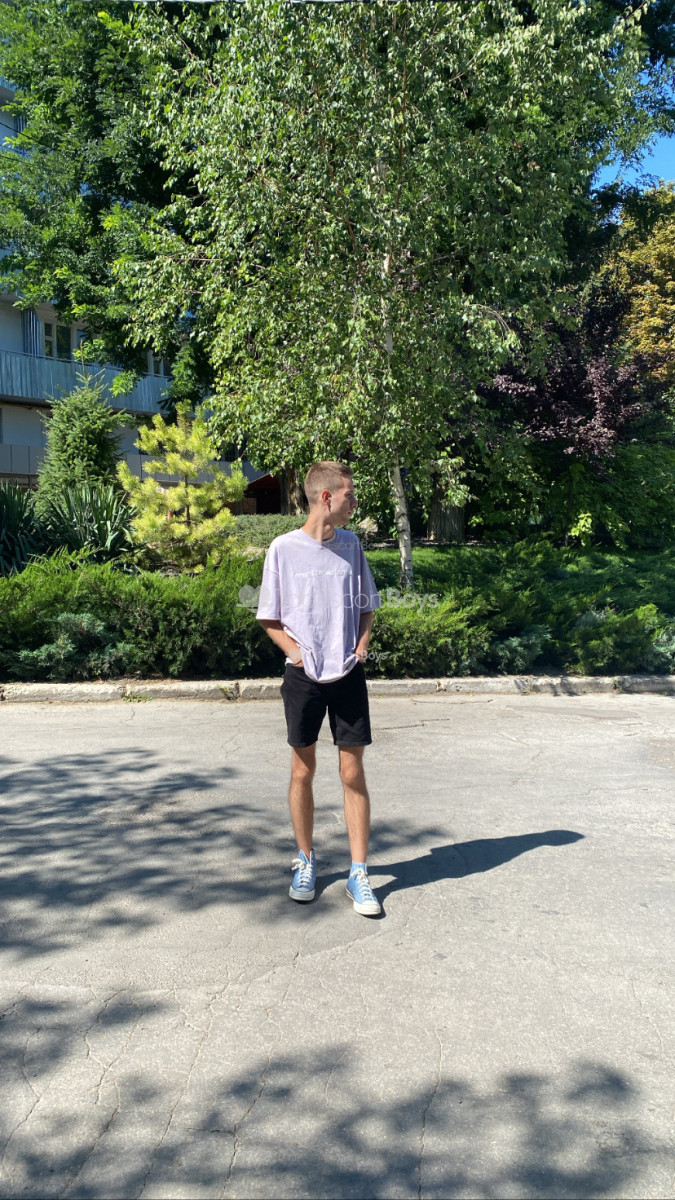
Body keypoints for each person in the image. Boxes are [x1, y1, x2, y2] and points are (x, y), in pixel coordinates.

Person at [256, 461, 382, 916]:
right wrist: (296, 653)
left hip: (347, 673)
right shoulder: (283, 549)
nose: (355, 503)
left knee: (352, 773)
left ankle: (358, 872)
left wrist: (362, 644)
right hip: (303, 677)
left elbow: (367, 605)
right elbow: (269, 616)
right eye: (350, 495)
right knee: (302, 771)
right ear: (326, 497)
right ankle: (305, 860)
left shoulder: (351, 545)